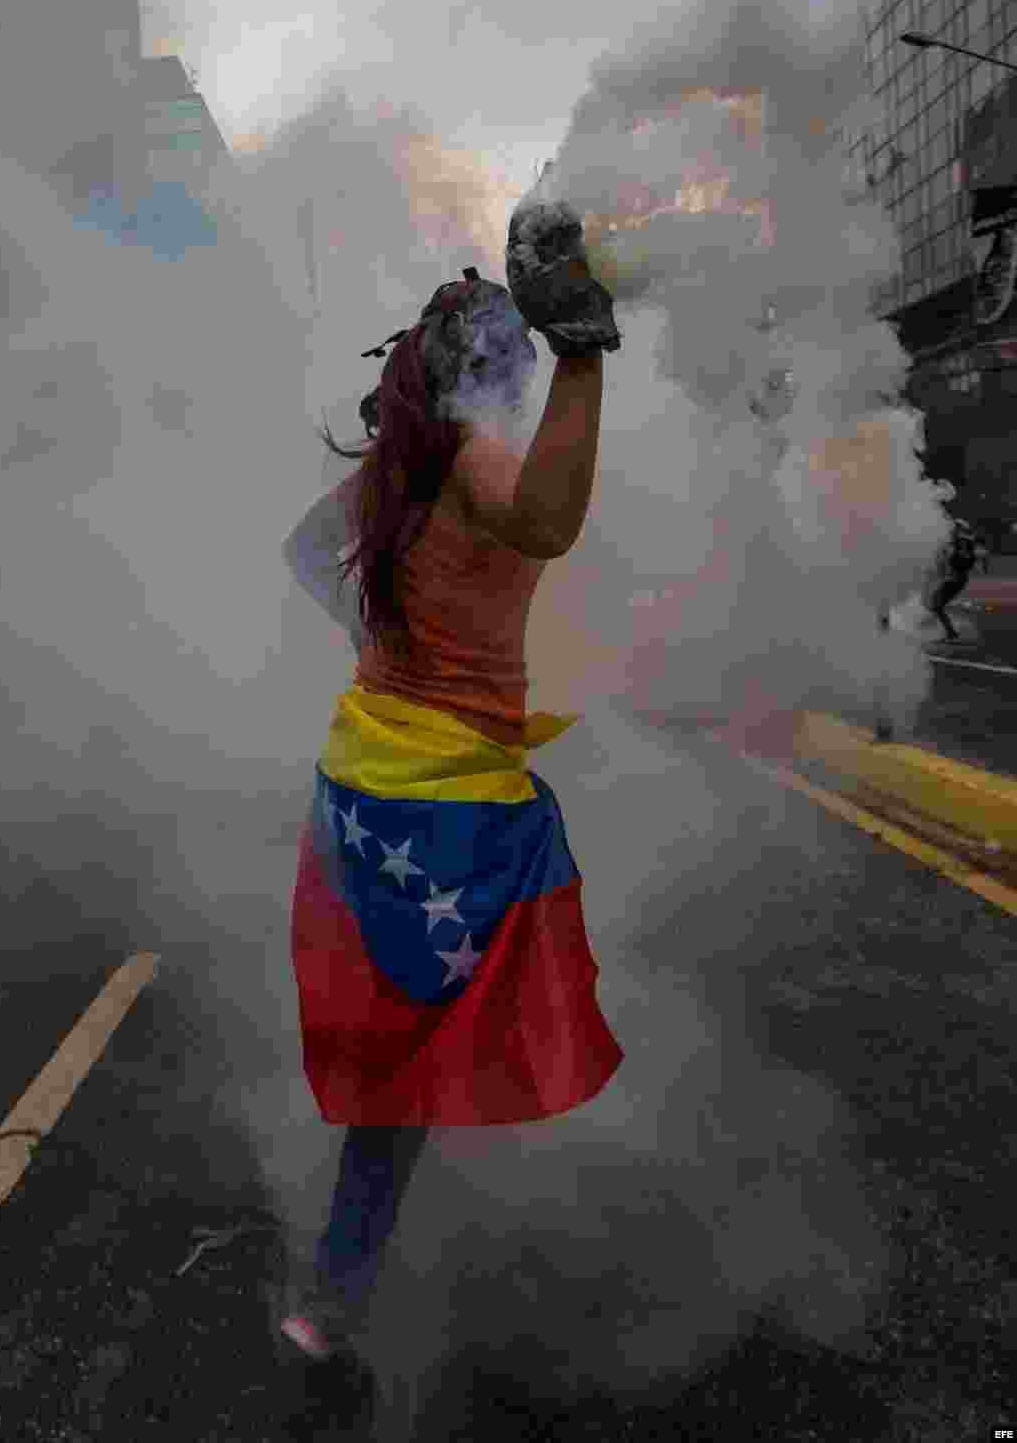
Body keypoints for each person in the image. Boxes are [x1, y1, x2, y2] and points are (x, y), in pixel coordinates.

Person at [278, 190, 625, 1373]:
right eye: (520, 360)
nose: (524, 380)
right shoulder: (477, 455)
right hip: (443, 812)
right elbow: (546, 520)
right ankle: (337, 1289)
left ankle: (343, 1277)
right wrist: (586, 348)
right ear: (492, 367)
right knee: (411, 1070)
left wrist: (394, 658)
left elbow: (300, 555)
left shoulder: (397, 466)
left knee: (400, 1044)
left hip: (363, 785)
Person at [924, 515, 979, 642]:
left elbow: (964, 560)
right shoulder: (960, 542)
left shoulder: (962, 542)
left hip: (956, 580)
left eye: (954, 528)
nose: (951, 530)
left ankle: (951, 633)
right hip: (954, 579)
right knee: (934, 603)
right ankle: (948, 631)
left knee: (936, 605)